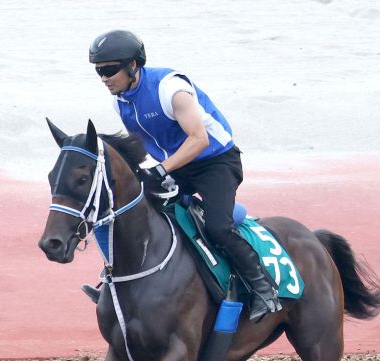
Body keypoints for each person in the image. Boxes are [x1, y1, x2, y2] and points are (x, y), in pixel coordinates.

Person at [83, 29, 281, 321]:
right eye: (99, 71)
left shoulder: (170, 89)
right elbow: (148, 143)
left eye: (110, 70)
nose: (104, 78)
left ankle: (264, 289)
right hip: (178, 167)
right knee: (129, 214)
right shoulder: (121, 101)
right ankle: (118, 283)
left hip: (216, 162)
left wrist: (162, 169)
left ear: (133, 66)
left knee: (217, 228)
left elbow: (199, 139)